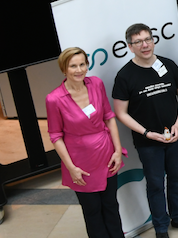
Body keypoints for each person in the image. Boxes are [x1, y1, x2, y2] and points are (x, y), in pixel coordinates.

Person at [112, 24, 178, 237]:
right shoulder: (125, 76)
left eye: (148, 39)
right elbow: (121, 113)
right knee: (155, 184)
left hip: (173, 136)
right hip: (148, 142)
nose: (145, 45)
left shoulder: (167, 65)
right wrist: (145, 133)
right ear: (130, 47)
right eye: (138, 42)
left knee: (177, 177)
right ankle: (161, 226)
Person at [46, 48, 125, 238]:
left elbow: (109, 116)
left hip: (106, 155)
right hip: (80, 162)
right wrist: (71, 167)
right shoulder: (54, 99)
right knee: (92, 211)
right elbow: (55, 135)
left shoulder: (96, 84)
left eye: (82, 64)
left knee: (111, 205)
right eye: (73, 66)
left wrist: (117, 150)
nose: (79, 70)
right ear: (64, 69)